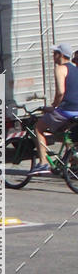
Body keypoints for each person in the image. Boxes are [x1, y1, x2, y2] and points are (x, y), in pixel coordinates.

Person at [30, 42, 78, 175]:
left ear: (61, 55)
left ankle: (43, 163)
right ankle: (71, 161)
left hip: (66, 110)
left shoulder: (60, 68)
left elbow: (61, 92)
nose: (53, 56)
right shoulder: (75, 68)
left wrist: (52, 107)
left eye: (55, 53)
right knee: (64, 133)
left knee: (38, 128)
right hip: (76, 110)